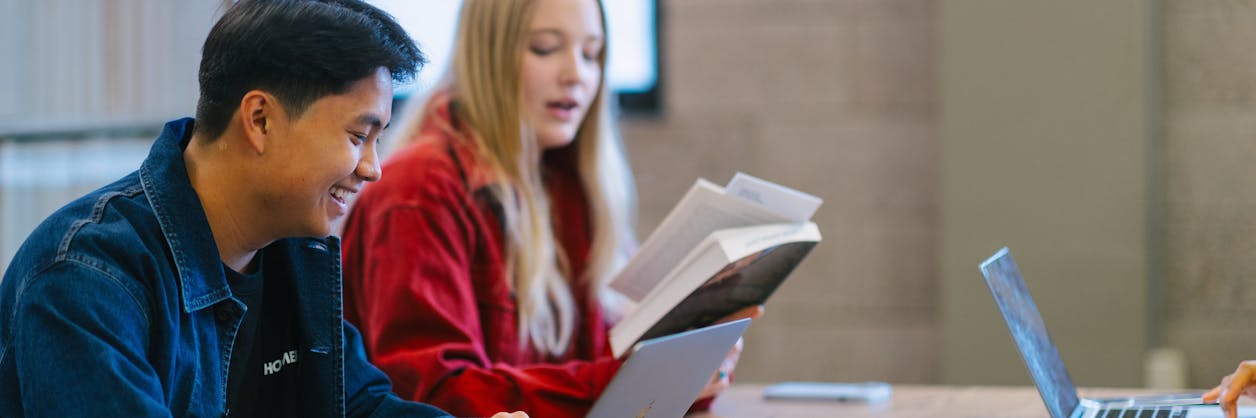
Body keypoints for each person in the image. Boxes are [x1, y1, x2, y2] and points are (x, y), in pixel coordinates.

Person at [0, 1, 526, 417]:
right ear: (260, 120)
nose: (373, 168)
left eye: (378, 139)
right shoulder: (87, 277)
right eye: (357, 136)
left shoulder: (294, 250)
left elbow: (359, 405)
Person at [340, 0, 758, 416]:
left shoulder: (572, 182)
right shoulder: (418, 191)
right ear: (487, 56)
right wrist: (623, 379)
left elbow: (599, 364)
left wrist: (684, 365)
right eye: (545, 48)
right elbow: (436, 397)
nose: (576, 74)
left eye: (592, 54)